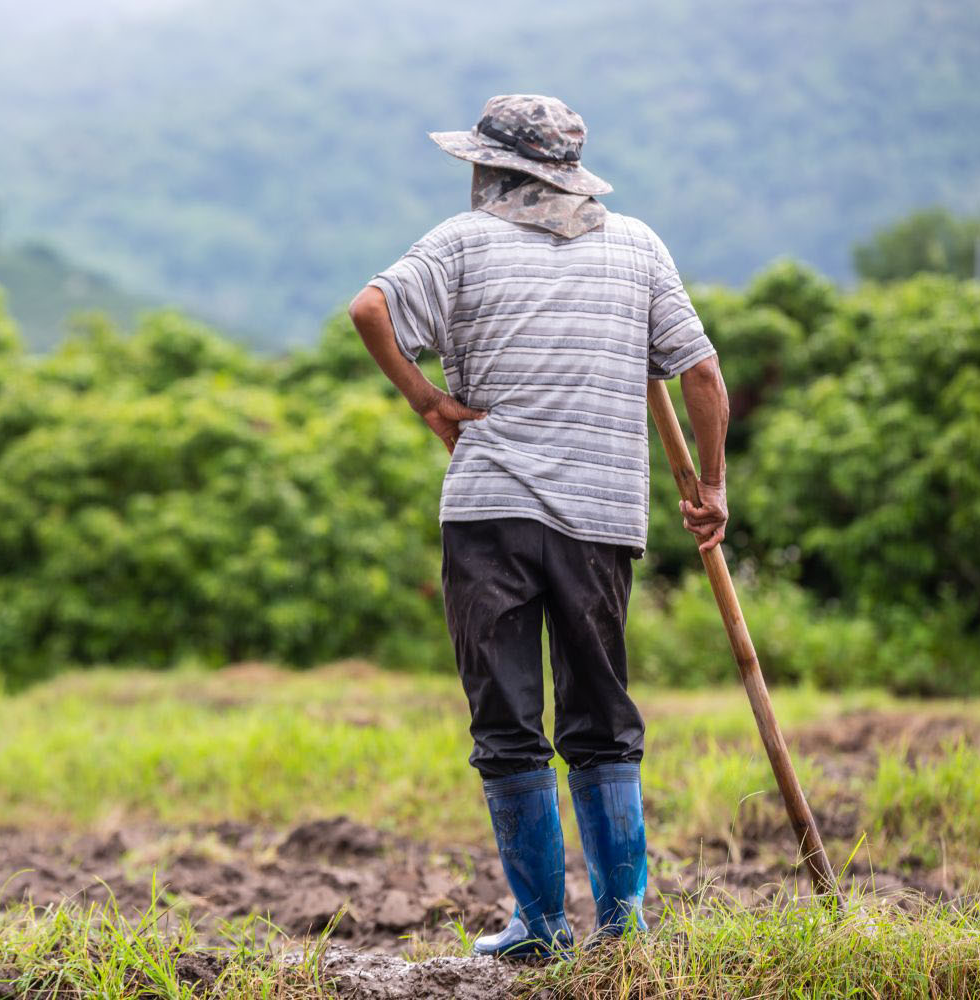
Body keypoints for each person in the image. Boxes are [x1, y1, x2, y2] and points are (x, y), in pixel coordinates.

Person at [348, 94, 730, 960]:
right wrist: (710, 488)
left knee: (507, 722)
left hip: (489, 514)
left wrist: (428, 402)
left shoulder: (459, 241)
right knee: (602, 716)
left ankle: (543, 930)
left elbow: (370, 310)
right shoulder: (637, 246)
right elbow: (702, 375)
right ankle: (624, 927)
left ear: (494, 168)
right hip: (601, 518)